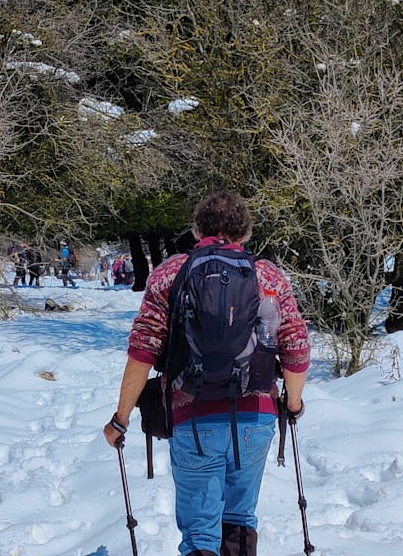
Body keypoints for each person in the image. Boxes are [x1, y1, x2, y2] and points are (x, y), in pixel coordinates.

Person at [103, 192, 310, 556]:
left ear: (197, 230)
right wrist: (292, 404)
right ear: (244, 233)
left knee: (200, 534)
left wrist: (120, 420)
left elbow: (142, 351)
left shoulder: (171, 273)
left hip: (192, 417)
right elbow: (295, 345)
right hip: (255, 415)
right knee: (239, 519)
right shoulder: (269, 276)